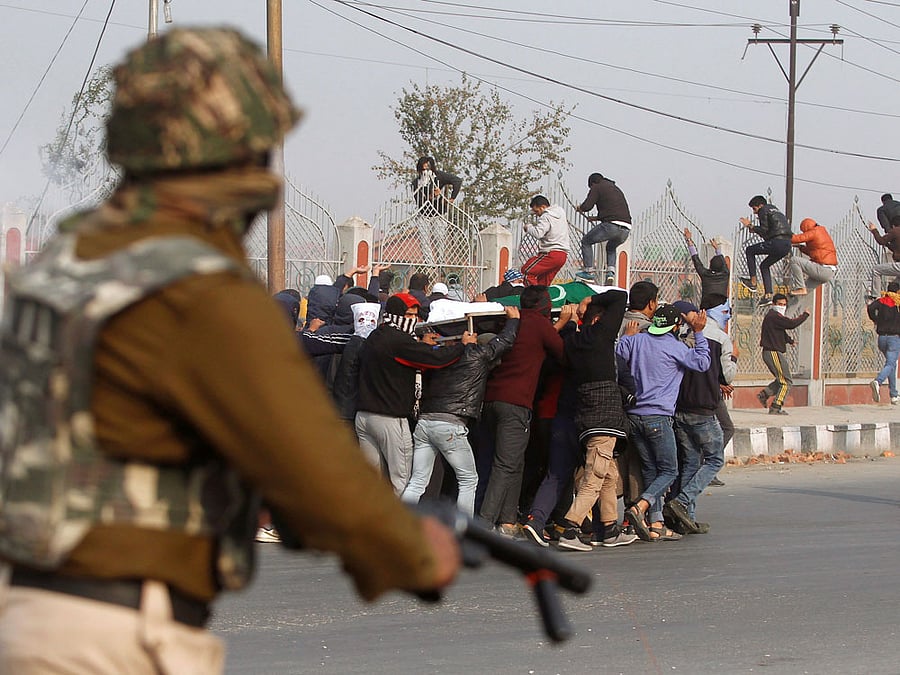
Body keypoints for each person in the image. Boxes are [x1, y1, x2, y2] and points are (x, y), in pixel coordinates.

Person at [0, 28, 460, 675]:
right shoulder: (198, 287)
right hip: (115, 634)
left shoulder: (59, 271)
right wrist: (414, 547)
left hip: (25, 612)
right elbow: (315, 467)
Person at [402, 307, 520, 516]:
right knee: (468, 479)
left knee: (418, 480)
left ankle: (398, 521)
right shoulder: (478, 355)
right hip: (451, 425)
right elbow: (504, 342)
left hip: (425, 422)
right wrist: (513, 320)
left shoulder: (443, 358)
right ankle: (465, 530)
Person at [477, 286, 573, 535]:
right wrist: (562, 323)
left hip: (490, 400)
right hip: (516, 404)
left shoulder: (511, 320)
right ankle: (485, 523)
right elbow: (563, 355)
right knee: (505, 465)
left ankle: (507, 519)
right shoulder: (539, 324)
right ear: (545, 305)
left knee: (513, 462)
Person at [615, 304, 710, 542]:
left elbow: (618, 354)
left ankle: (656, 523)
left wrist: (627, 337)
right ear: (675, 326)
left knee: (650, 470)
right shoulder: (674, 347)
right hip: (658, 417)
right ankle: (641, 507)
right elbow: (702, 363)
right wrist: (698, 332)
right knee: (670, 470)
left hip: (634, 416)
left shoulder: (635, 341)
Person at [553, 290, 637, 551]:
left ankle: (610, 528)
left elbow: (564, 332)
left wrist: (570, 318)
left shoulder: (571, 341)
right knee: (595, 476)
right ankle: (570, 527)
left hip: (585, 414)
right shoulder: (601, 336)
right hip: (605, 417)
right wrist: (591, 301)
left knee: (609, 474)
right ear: (600, 318)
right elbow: (621, 296)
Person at [355, 293, 465, 493]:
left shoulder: (377, 335)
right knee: (404, 483)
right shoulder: (398, 340)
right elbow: (434, 360)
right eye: (409, 315)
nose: (413, 320)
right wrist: (462, 346)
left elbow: (406, 357)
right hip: (389, 419)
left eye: (415, 315)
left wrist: (421, 344)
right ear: (398, 315)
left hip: (364, 416)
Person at [664, 301, 725, 536]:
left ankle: (687, 517)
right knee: (714, 460)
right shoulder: (709, 342)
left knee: (690, 462)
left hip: (680, 411)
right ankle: (683, 500)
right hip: (702, 412)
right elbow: (723, 372)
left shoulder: (671, 344)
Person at [575, 172, 632, 285]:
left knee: (586, 241)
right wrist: (595, 218)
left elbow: (587, 206)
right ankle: (610, 272)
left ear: (592, 183)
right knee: (611, 247)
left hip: (611, 226)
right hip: (626, 229)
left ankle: (588, 272)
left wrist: (580, 208)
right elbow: (614, 211)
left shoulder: (597, 187)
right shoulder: (615, 188)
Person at [757, 294, 809, 415]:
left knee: (783, 378)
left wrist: (790, 341)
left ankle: (764, 394)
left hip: (773, 352)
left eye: (784, 304)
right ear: (774, 304)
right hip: (772, 352)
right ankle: (776, 407)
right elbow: (791, 324)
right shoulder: (774, 317)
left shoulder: (775, 317)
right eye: (780, 304)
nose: (782, 307)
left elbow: (780, 333)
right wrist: (805, 315)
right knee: (786, 381)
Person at [739, 195, 793, 308]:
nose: (754, 213)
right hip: (786, 245)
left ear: (760, 205)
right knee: (764, 265)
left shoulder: (763, 210)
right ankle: (768, 295)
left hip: (777, 242)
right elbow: (768, 233)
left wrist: (750, 225)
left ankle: (753, 282)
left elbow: (764, 230)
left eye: (754, 209)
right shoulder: (776, 211)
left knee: (750, 250)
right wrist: (755, 229)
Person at [521, 195, 570, 287]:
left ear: (543, 207)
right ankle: (543, 298)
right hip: (562, 255)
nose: (537, 214)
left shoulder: (546, 217)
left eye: (537, 211)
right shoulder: (560, 212)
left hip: (550, 253)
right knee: (543, 283)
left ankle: (533, 297)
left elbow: (538, 233)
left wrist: (528, 227)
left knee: (526, 271)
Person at [866, 281, 900, 406]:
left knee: (891, 365)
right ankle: (878, 382)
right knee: (891, 363)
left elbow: (870, 307)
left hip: (881, 339)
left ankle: (894, 395)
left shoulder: (881, 301)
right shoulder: (898, 303)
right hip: (894, 339)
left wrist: (876, 320)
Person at [788, 218, 837, 296]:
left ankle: (800, 287)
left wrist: (783, 235)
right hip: (828, 271)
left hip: (822, 268)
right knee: (799, 296)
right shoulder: (822, 232)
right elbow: (813, 252)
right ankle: (790, 307)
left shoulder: (814, 232)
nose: (803, 233)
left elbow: (796, 238)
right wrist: (801, 247)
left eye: (803, 231)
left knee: (794, 260)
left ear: (806, 228)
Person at [683, 228, 729, 309]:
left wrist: (689, 240)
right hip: (722, 308)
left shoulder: (705, 275)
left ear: (710, 265)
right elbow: (722, 260)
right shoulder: (725, 274)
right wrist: (716, 248)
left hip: (707, 308)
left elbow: (696, 259)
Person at [867, 216, 900, 286]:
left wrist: (874, 230)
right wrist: (888, 245)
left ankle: (875, 296)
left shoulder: (895, 230)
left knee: (876, 270)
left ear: (893, 225)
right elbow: (896, 249)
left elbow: (881, 241)